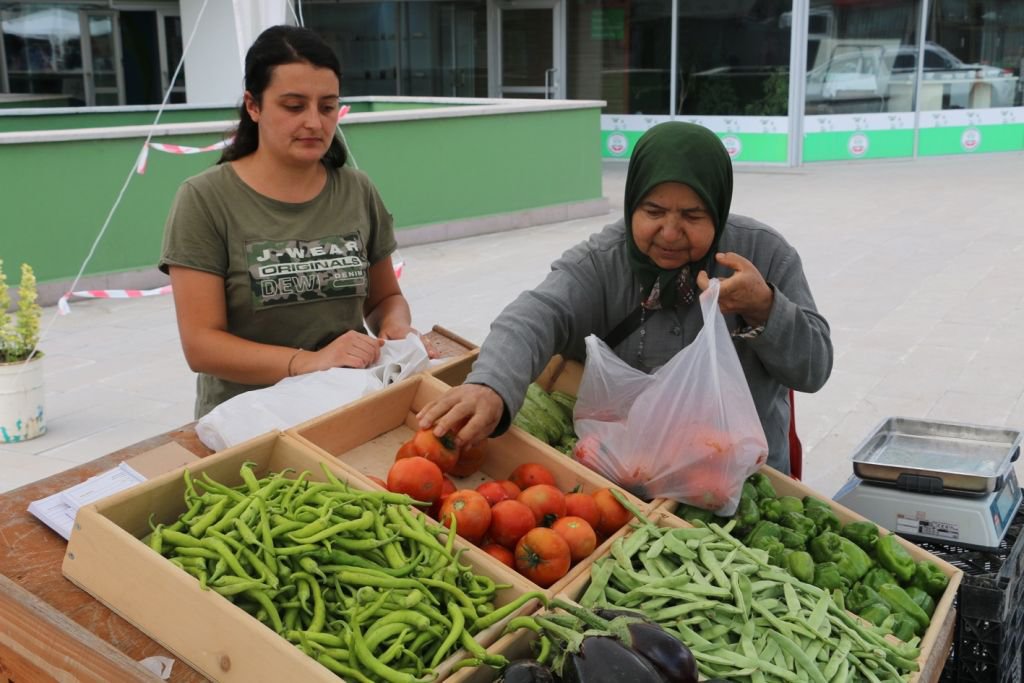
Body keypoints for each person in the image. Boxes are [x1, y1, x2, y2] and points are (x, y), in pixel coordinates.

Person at [417, 122, 833, 474]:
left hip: (746, 481)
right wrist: (491, 386)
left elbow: (814, 370)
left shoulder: (764, 255)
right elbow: (535, 315)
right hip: (634, 478)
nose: (670, 233)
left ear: (718, 210)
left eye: (692, 216)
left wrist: (765, 307)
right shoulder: (603, 261)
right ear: (632, 203)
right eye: (653, 211)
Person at [159, 26, 417, 418]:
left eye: (327, 106)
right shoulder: (205, 199)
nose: (314, 122)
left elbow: (384, 300)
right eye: (294, 106)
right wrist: (307, 361)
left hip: (350, 405)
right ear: (254, 105)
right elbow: (202, 346)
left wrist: (395, 327)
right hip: (247, 421)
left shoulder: (357, 189)